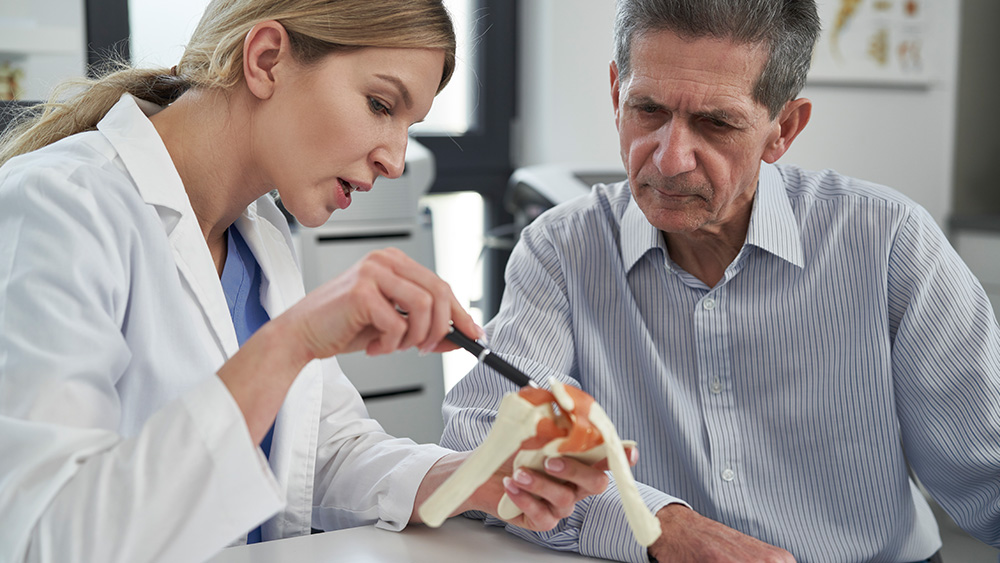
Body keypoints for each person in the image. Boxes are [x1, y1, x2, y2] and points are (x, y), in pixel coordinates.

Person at [0, 1, 615, 561]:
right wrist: (292, 341)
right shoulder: (59, 206)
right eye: (381, 105)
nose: (395, 160)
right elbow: (45, 537)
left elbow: (321, 450)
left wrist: (472, 477)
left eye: (408, 124)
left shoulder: (259, 231)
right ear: (267, 59)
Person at [441, 0, 1000, 562]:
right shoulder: (562, 247)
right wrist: (659, 526)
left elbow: (987, 470)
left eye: (716, 123)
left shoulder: (889, 241)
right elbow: (482, 443)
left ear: (783, 129)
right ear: (616, 95)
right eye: (648, 110)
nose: (670, 160)